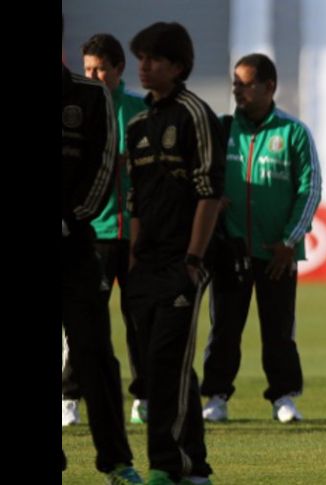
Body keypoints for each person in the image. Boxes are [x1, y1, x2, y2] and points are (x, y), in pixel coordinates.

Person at [125, 22, 224, 485]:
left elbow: (210, 192)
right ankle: (189, 464)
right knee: (154, 367)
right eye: (141, 58)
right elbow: (135, 200)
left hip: (182, 263)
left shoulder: (195, 114)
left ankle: (170, 464)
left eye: (154, 59)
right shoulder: (138, 124)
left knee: (169, 362)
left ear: (178, 66)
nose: (144, 67)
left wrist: (193, 259)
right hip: (145, 266)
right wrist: (132, 256)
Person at [199, 53, 322, 424]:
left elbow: (310, 189)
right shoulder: (222, 129)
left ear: (269, 87)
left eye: (245, 84)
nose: (237, 90)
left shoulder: (293, 132)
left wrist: (290, 240)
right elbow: (203, 178)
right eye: (235, 83)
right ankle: (216, 397)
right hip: (230, 249)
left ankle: (283, 398)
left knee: (279, 330)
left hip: (277, 252)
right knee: (224, 328)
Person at [61, 15, 143, 485]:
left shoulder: (88, 98)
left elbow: (103, 172)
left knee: (96, 352)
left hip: (74, 245)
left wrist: (72, 220)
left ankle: (116, 460)